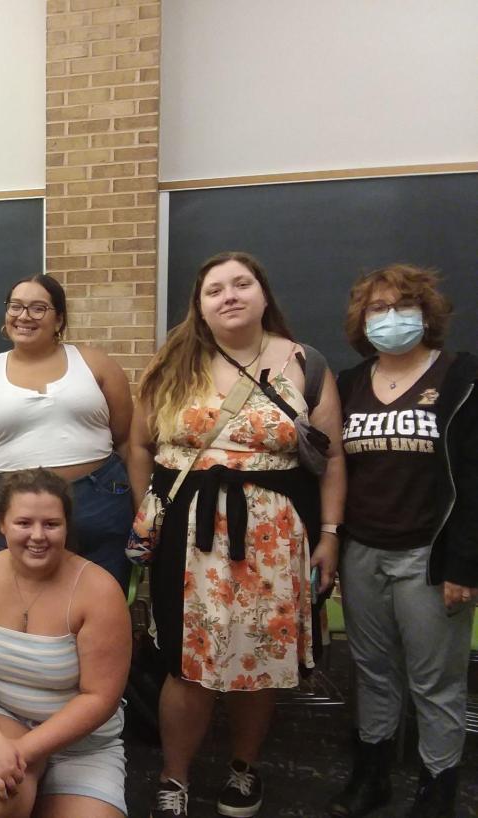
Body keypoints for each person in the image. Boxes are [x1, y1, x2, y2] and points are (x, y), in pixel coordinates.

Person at [127, 251, 344, 818]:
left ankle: (244, 771)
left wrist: (329, 532)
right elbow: (138, 447)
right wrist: (149, 513)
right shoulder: (172, 363)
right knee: (187, 661)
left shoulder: (305, 362)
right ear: (199, 305)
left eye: (241, 283)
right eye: (214, 289)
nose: (230, 295)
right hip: (187, 532)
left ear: (263, 292)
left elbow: (332, 456)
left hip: (276, 535)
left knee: (260, 657)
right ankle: (174, 778)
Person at [328, 264, 477, 818]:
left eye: (402, 307)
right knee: (371, 671)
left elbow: (475, 479)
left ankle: (437, 789)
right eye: (377, 309)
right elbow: (335, 472)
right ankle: (372, 778)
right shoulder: (347, 383)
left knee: (435, 681)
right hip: (363, 552)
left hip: (430, 557)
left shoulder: (463, 378)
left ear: (426, 313)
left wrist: (465, 564)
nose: (390, 319)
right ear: (361, 320)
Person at [0, 468, 131, 818]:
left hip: (82, 742)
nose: (37, 535)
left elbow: (100, 697)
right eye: (24, 523)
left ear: (66, 526)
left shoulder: (100, 590)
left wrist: (21, 752)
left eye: (51, 524)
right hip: (1, 721)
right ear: (1, 524)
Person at [0, 273, 135, 590]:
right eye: (16, 307)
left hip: (97, 503)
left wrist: (141, 513)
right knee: (19, 606)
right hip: (13, 511)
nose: (24, 316)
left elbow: (127, 440)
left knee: (102, 599)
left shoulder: (95, 364)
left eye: (38, 308)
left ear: (59, 319)